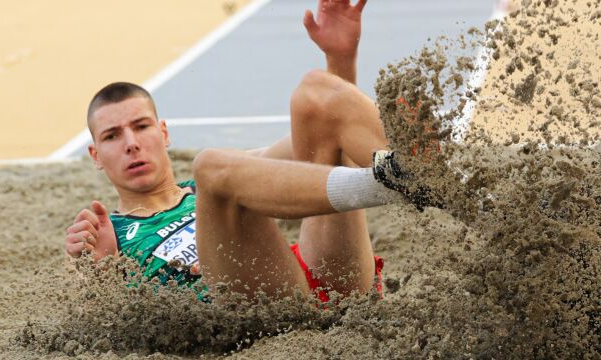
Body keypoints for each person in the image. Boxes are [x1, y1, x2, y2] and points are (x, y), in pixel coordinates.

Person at [65, 0, 436, 301]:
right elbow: (97, 326)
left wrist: (340, 59)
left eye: (141, 126)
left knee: (315, 91)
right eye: (112, 136)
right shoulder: (108, 233)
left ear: (163, 134)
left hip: (326, 280)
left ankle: (432, 181)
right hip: (262, 310)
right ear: (95, 155)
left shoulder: (219, 182)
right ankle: (386, 183)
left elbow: (314, 144)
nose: (131, 142)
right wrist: (101, 275)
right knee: (211, 166)